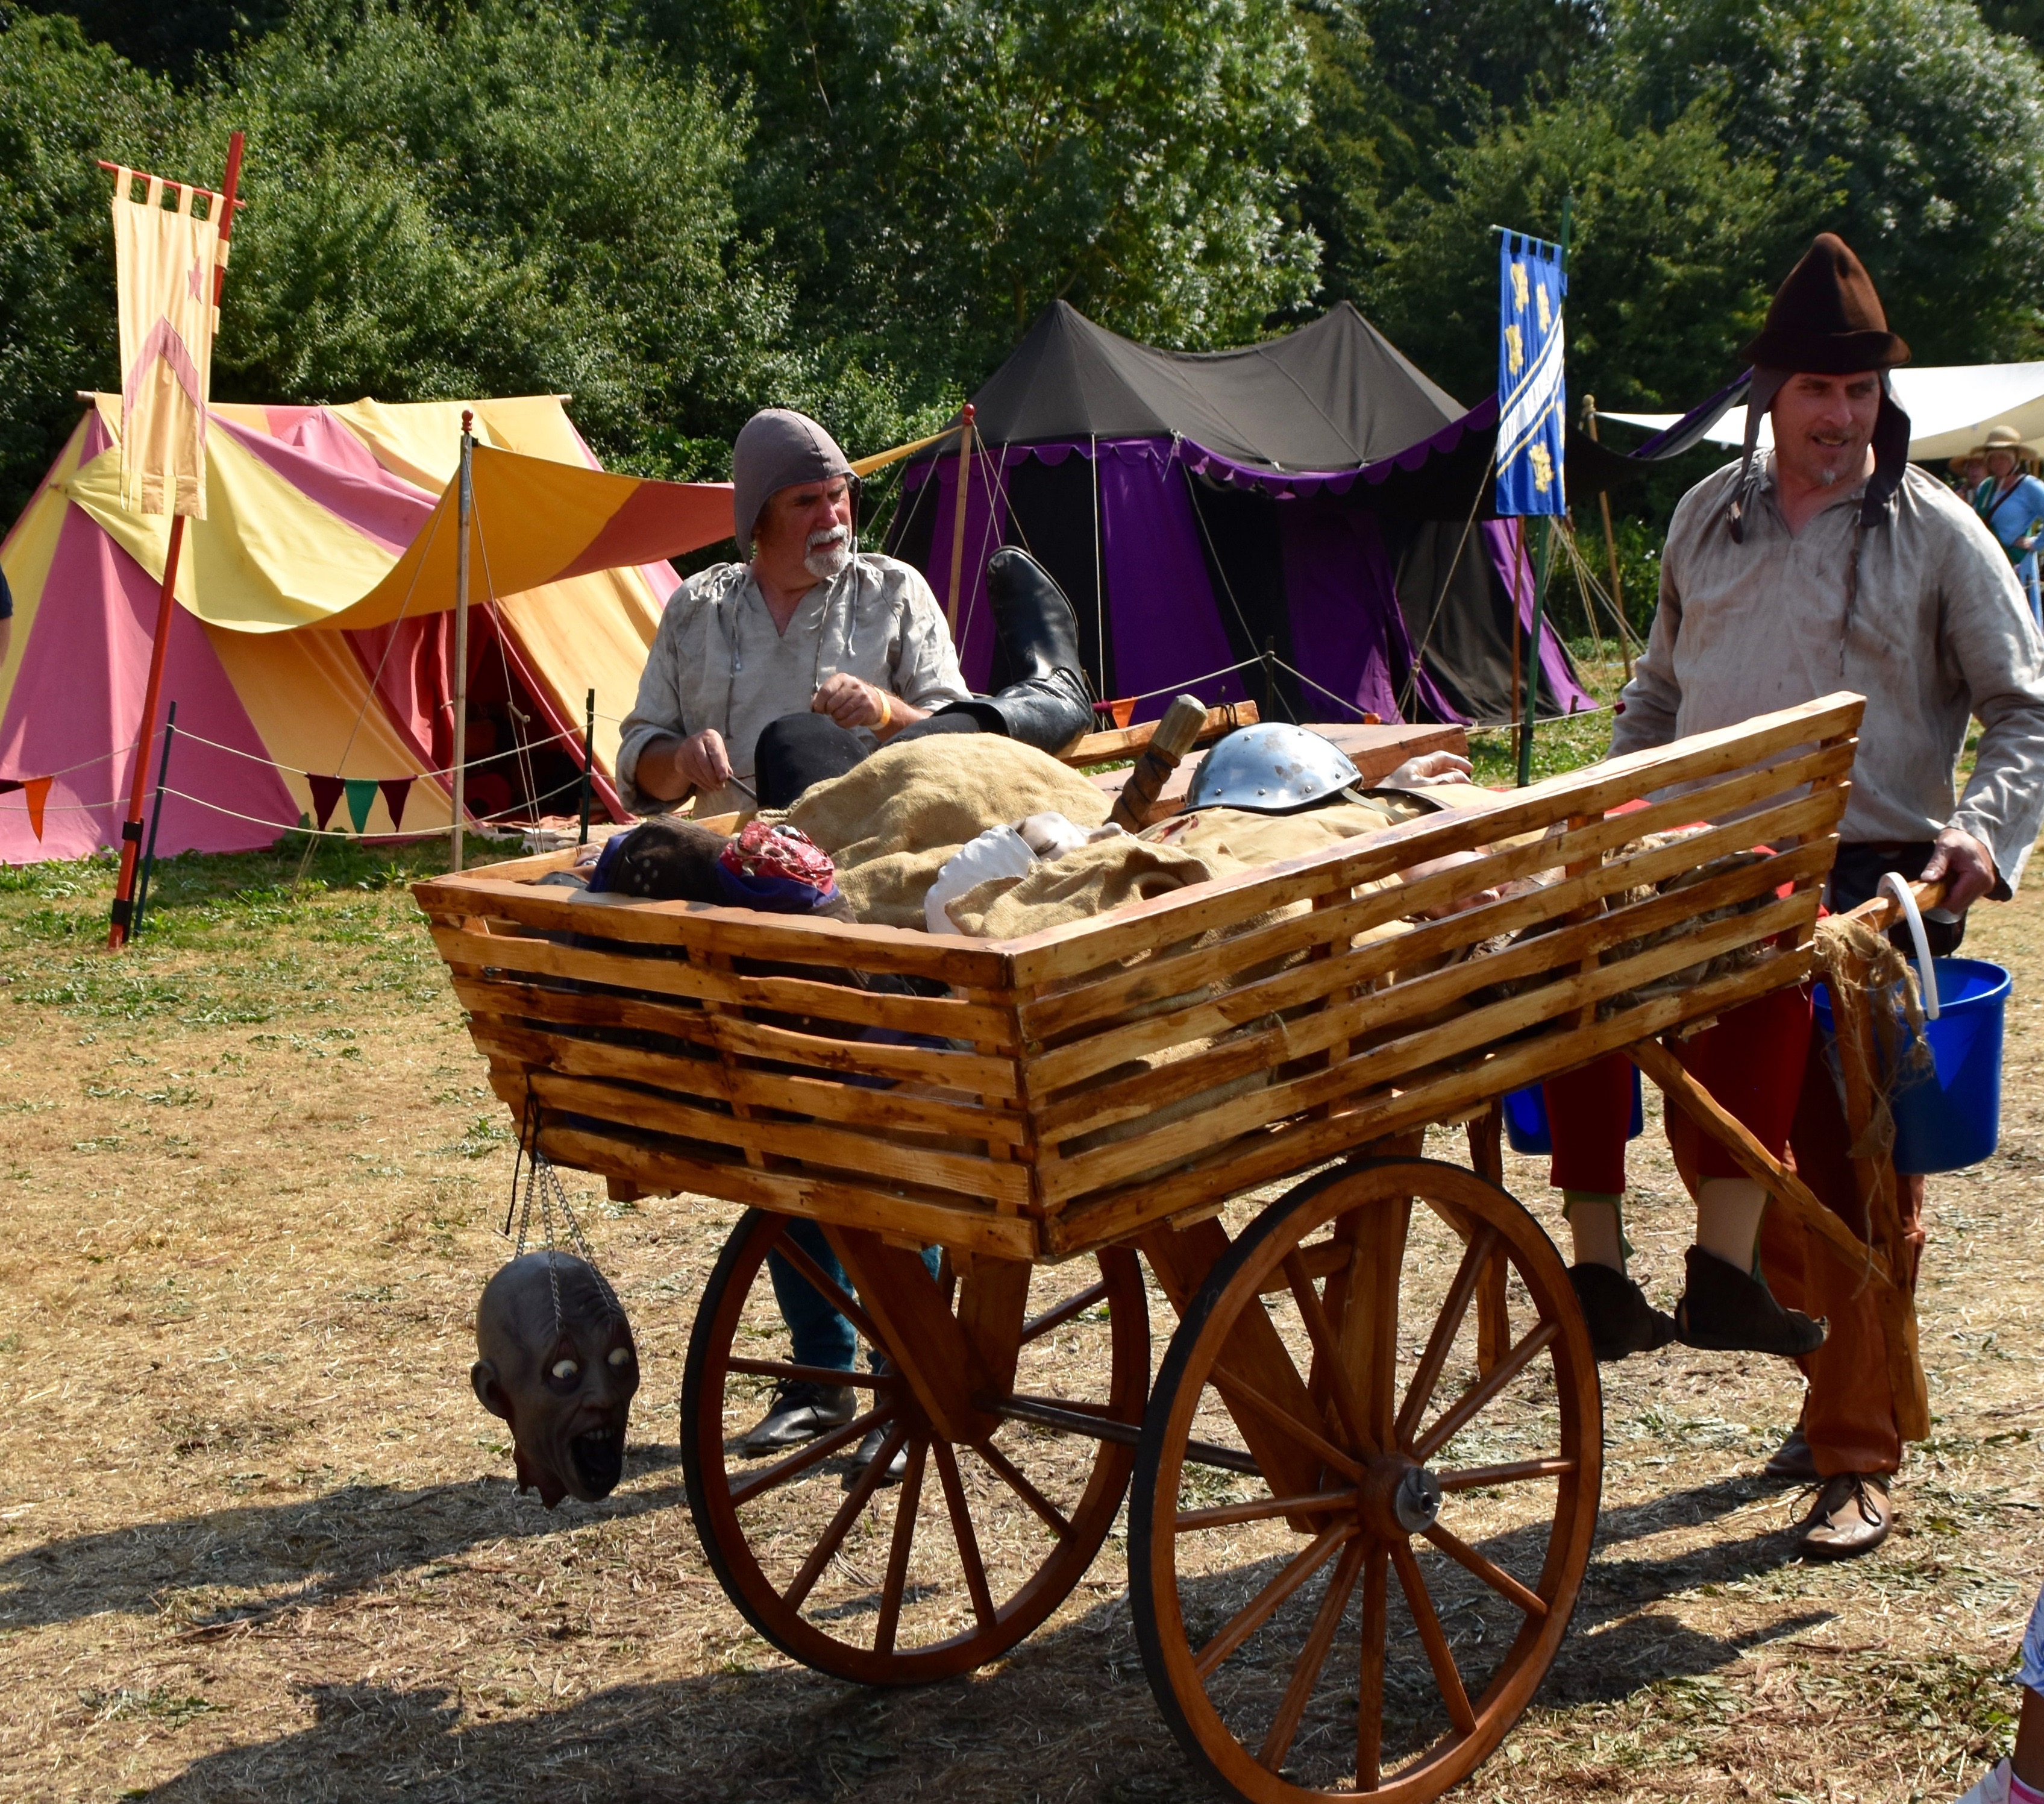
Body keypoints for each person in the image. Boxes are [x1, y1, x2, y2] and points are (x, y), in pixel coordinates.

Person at [1549, 232, 2044, 1558]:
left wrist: (1983, 835)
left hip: (1870, 885)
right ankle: (1829, 1343)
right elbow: (1653, 686)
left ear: (1885, 402)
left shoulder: (1937, 532)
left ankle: (1853, 1449)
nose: (1838, 417)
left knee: (1844, 1170)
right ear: (1770, 393)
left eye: (1861, 394)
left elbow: (2025, 711)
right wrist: (1614, 807)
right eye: (1816, 392)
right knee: (1719, 1148)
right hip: (1705, 870)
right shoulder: (1702, 515)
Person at [1972, 424, 2044, 629]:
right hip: (1989, 562)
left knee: (2020, 620)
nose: (1998, 462)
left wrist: (2035, 543)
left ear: (2015, 458)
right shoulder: (1986, 487)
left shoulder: (2029, 486)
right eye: (1993, 457)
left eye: (2003, 457)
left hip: (2017, 563)